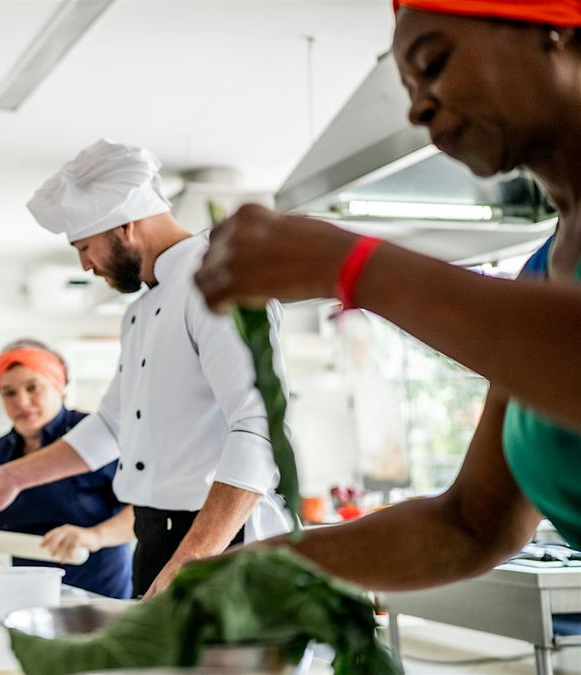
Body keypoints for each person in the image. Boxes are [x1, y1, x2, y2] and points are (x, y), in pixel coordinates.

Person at [193, 0, 581, 589]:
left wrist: (350, 265)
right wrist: (253, 569)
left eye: (434, 63)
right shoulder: (540, 278)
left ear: (555, 25)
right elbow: (468, 526)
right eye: (407, 86)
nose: (418, 107)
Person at [0, 140, 292, 598]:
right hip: (154, 532)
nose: (85, 264)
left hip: (220, 539)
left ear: (126, 227)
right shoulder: (138, 314)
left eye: (85, 246)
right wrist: (14, 476)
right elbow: (111, 427)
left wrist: (193, 558)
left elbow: (258, 430)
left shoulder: (218, 282)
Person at [0, 339, 135, 599]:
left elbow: (142, 512)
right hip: (29, 592)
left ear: (59, 386)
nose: (22, 401)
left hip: (99, 589)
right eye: (9, 392)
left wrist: (95, 536)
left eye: (33, 387)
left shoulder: (99, 437)